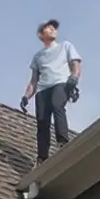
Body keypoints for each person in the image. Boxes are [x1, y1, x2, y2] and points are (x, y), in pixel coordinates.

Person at [20, 19, 81, 164]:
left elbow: (75, 64)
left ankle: (62, 142)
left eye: (54, 27)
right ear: (41, 35)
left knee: (57, 105)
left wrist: (74, 77)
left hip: (60, 83)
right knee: (42, 120)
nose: (53, 29)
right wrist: (26, 96)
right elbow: (34, 80)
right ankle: (42, 156)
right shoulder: (38, 57)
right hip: (43, 89)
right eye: (48, 28)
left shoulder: (65, 46)